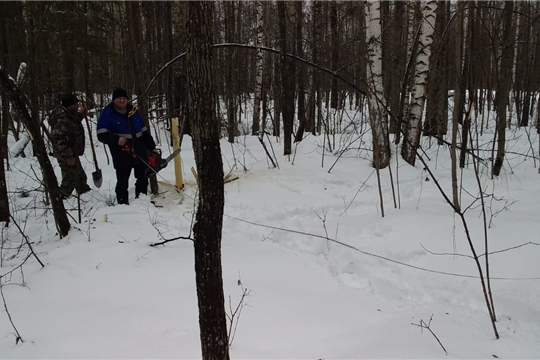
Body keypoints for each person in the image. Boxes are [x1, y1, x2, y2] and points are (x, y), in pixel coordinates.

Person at [97, 88, 158, 205]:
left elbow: (144, 132)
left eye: (124, 98)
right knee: (123, 179)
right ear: (114, 100)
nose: (122, 100)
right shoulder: (108, 114)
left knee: (142, 177)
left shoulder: (134, 111)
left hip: (139, 149)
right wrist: (116, 140)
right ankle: (122, 204)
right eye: (119, 98)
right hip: (121, 151)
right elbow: (101, 134)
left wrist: (152, 147)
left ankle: (142, 202)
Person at [51, 93, 92, 199]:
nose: (78, 106)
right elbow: (59, 139)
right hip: (65, 152)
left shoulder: (67, 113)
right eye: (76, 104)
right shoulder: (61, 118)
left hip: (71, 151)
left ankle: (85, 193)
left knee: (80, 176)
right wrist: (68, 156)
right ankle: (61, 198)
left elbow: (73, 121)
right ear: (70, 105)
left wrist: (81, 115)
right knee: (70, 177)